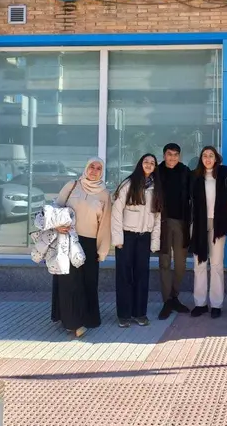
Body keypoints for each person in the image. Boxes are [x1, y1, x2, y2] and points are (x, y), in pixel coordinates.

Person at [51, 157, 112, 338]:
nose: (94, 170)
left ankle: (88, 318)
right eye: (91, 167)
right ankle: (72, 322)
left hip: (89, 243)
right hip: (68, 239)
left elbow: (105, 224)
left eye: (98, 168)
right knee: (69, 282)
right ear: (86, 168)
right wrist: (56, 226)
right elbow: (56, 207)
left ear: (102, 172)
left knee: (87, 283)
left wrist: (101, 251)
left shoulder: (104, 194)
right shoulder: (72, 185)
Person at [111, 153, 162, 328]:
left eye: (152, 163)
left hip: (144, 237)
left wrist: (155, 242)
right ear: (140, 164)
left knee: (142, 275)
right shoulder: (128, 184)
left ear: (155, 167)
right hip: (127, 236)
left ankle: (139, 313)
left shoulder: (156, 188)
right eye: (146, 162)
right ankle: (124, 315)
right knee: (124, 276)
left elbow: (157, 218)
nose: (149, 165)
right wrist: (117, 238)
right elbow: (116, 213)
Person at [189, 146, 227, 319]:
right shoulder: (195, 177)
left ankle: (216, 304)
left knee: (216, 265)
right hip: (199, 224)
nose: (207, 158)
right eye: (204, 156)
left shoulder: (224, 175)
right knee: (199, 264)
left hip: (218, 223)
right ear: (201, 159)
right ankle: (200, 303)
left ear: (216, 158)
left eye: (211, 155)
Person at [157, 143, 192, 320]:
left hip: (181, 222)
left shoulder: (185, 172)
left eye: (176, 154)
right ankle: (166, 301)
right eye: (169, 154)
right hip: (162, 223)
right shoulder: (156, 172)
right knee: (164, 262)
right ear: (164, 155)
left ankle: (174, 296)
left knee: (180, 264)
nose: (172, 158)